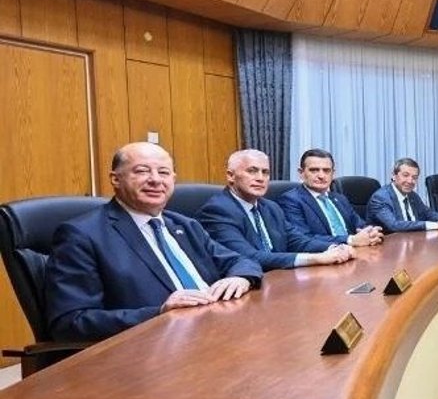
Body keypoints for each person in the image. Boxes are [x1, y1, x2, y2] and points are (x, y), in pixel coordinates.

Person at [44, 142, 263, 341]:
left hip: (217, 332)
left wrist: (241, 277)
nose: (156, 180)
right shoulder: (81, 235)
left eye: (164, 172)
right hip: (153, 348)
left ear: (173, 180)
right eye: (142, 171)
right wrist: (159, 312)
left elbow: (240, 261)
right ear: (115, 179)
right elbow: (70, 322)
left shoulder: (185, 225)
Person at [197, 149, 355, 271]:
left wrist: (334, 248)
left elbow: (297, 240)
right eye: (252, 171)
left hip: (280, 279)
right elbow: (248, 257)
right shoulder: (217, 210)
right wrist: (317, 258)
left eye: (265, 172)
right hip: (246, 287)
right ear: (231, 176)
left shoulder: (270, 207)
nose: (260, 178)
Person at [277, 148, 383, 246]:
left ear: (333, 174)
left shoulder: (340, 199)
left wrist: (371, 232)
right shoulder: (291, 200)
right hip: (323, 256)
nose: (321, 176)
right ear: (301, 173)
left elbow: (360, 225)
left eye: (326, 170)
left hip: (355, 253)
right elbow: (303, 239)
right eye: (314, 170)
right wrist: (350, 240)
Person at [366, 157, 438, 232]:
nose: (410, 181)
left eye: (414, 177)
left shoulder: (412, 195)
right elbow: (394, 225)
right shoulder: (380, 198)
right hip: (390, 245)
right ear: (394, 176)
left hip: (414, 241)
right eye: (405, 175)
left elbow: (428, 213)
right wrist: (435, 225)